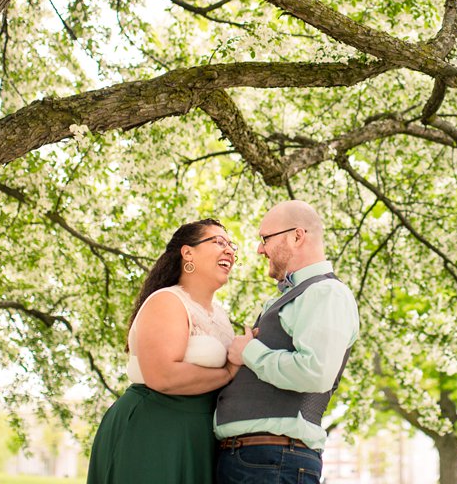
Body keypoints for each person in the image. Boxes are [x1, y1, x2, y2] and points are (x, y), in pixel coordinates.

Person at [214, 200, 360, 484]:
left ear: (297, 236)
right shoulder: (294, 296)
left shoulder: (326, 293)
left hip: (272, 462)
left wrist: (250, 351)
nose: (259, 249)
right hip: (256, 461)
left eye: (265, 238)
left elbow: (315, 372)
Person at [87, 219, 240, 484]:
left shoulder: (221, 318)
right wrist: (228, 373)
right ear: (187, 252)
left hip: (198, 436)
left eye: (231, 245)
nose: (229, 250)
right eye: (218, 242)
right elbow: (163, 375)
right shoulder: (167, 301)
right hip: (152, 429)